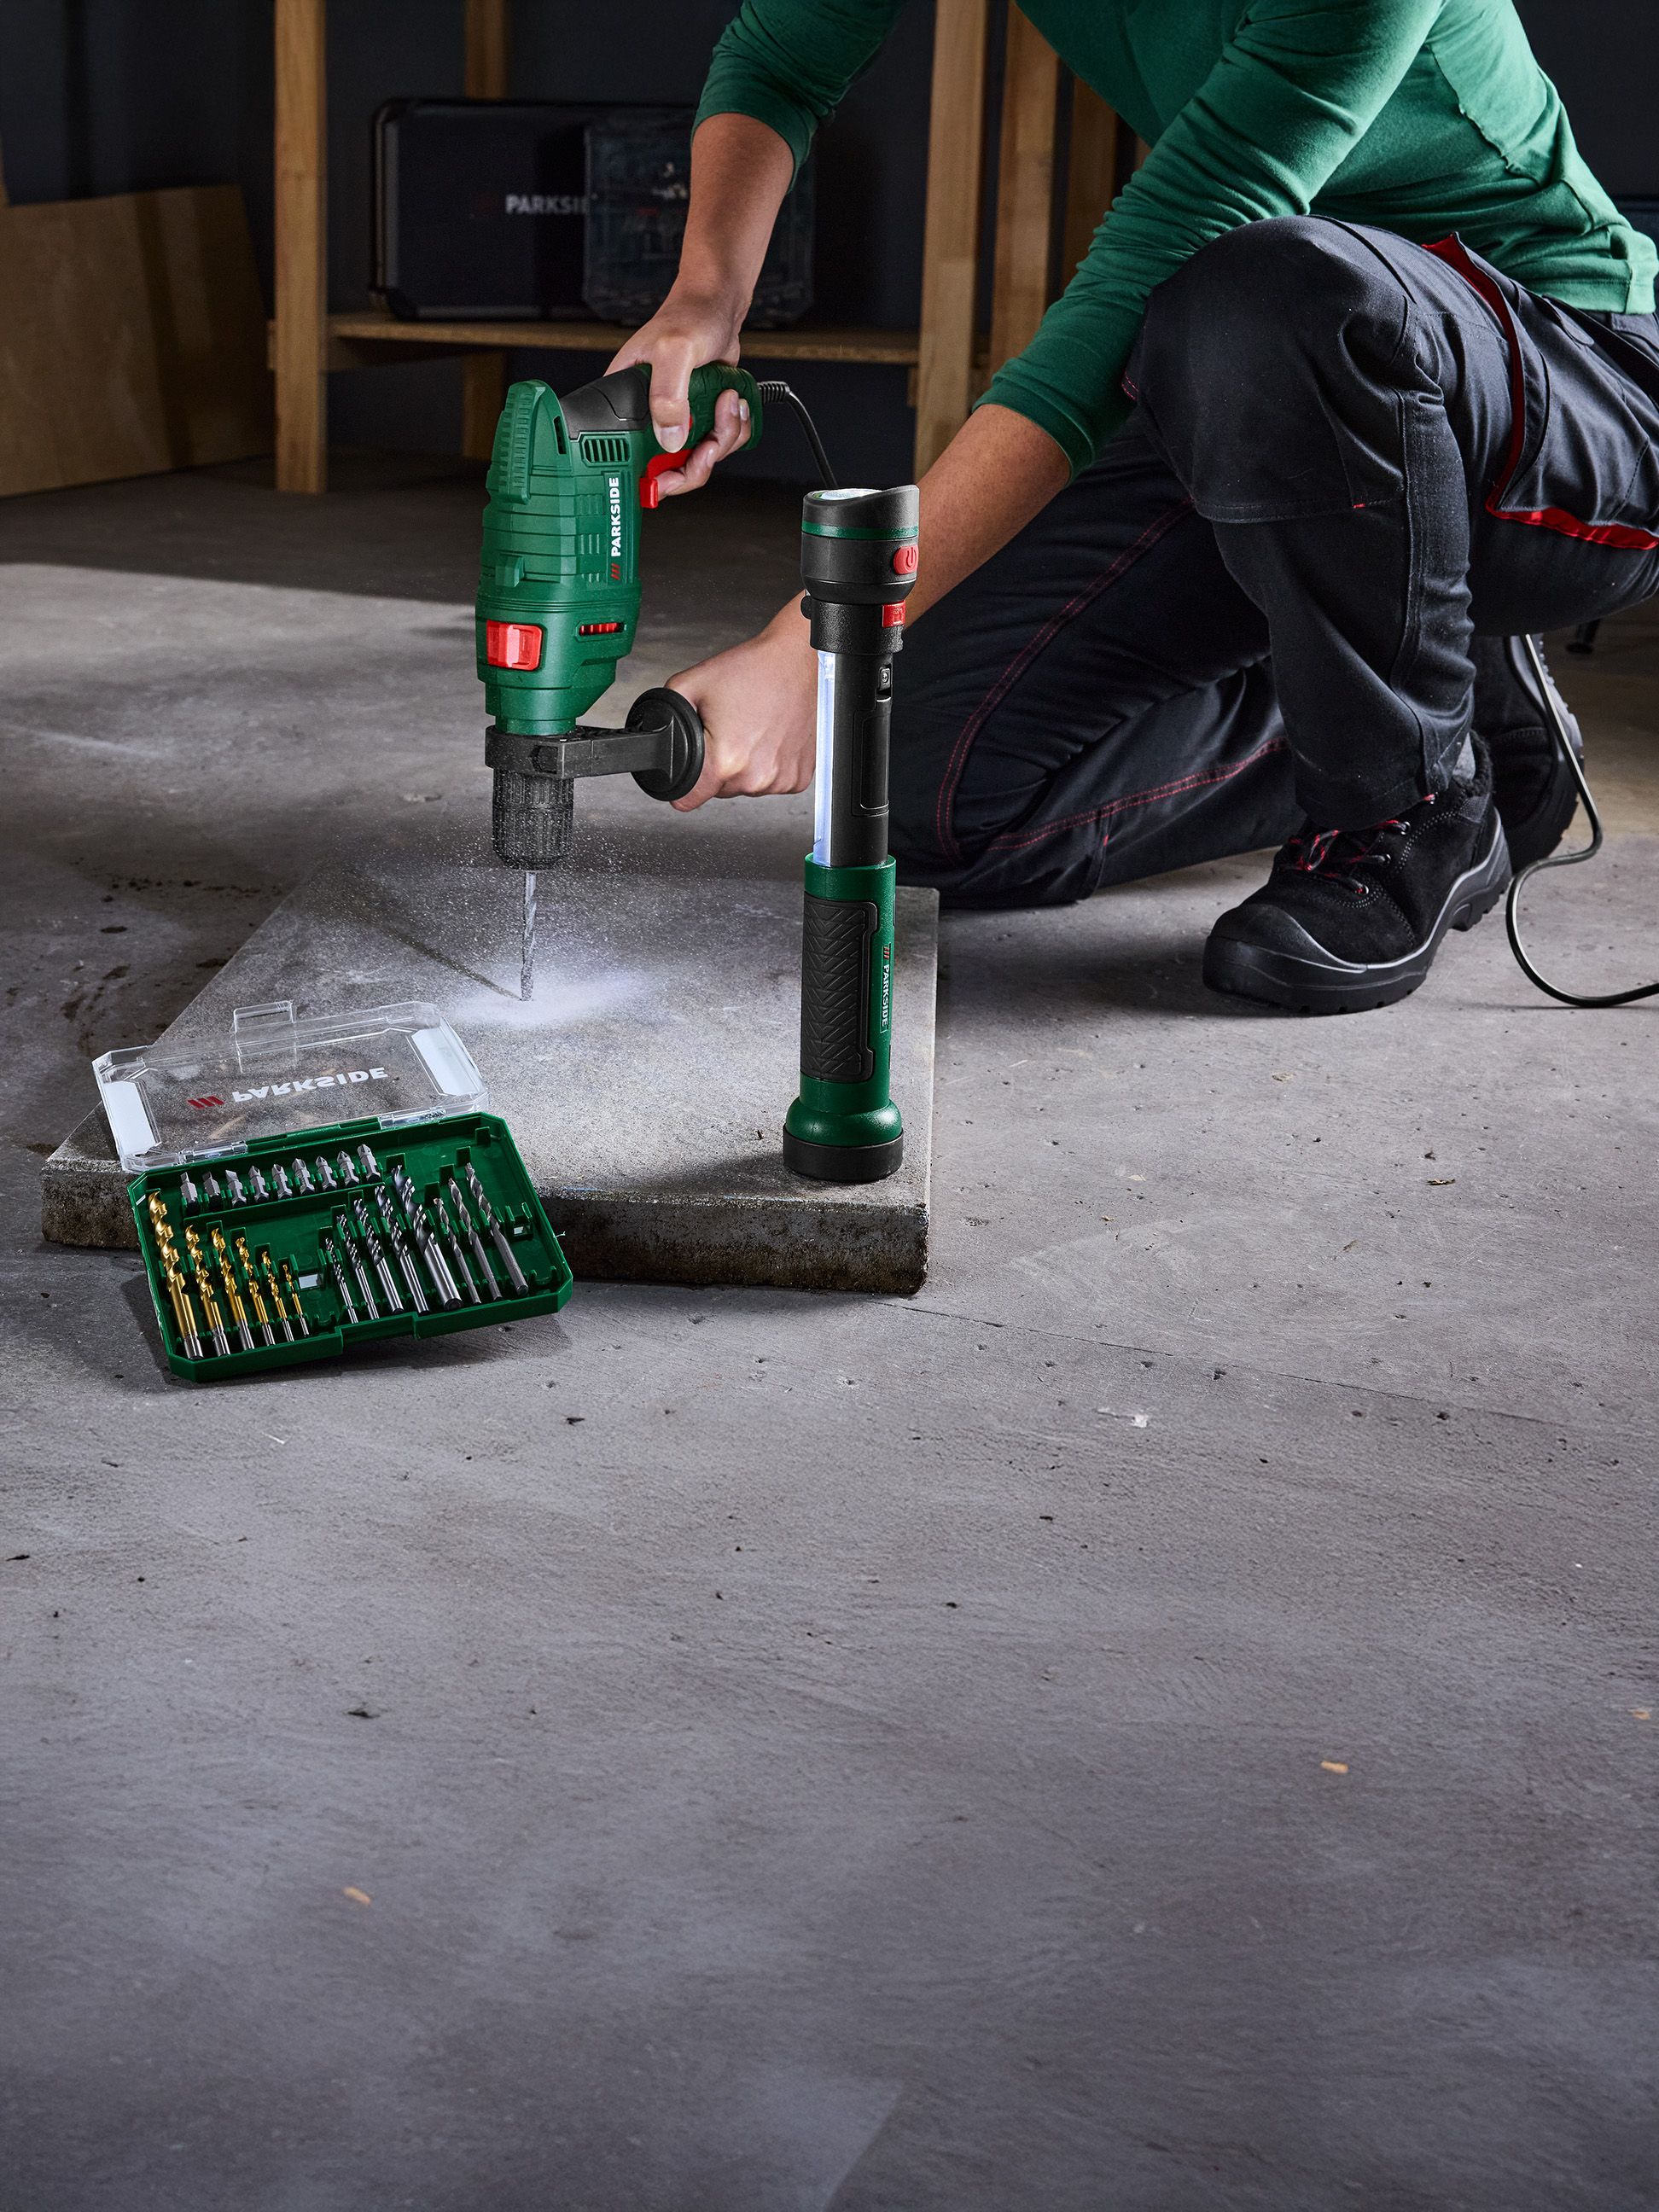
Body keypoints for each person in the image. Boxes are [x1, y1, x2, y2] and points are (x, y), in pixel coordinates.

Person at [608, 0, 1659, 1013]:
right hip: (1264, 392)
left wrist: (823, 640)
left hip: (1562, 373)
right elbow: (784, 58)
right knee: (926, 791)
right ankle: (1444, 705)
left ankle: (1407, 803)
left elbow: (1126, 302)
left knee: (1259, 284)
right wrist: (705, 297)